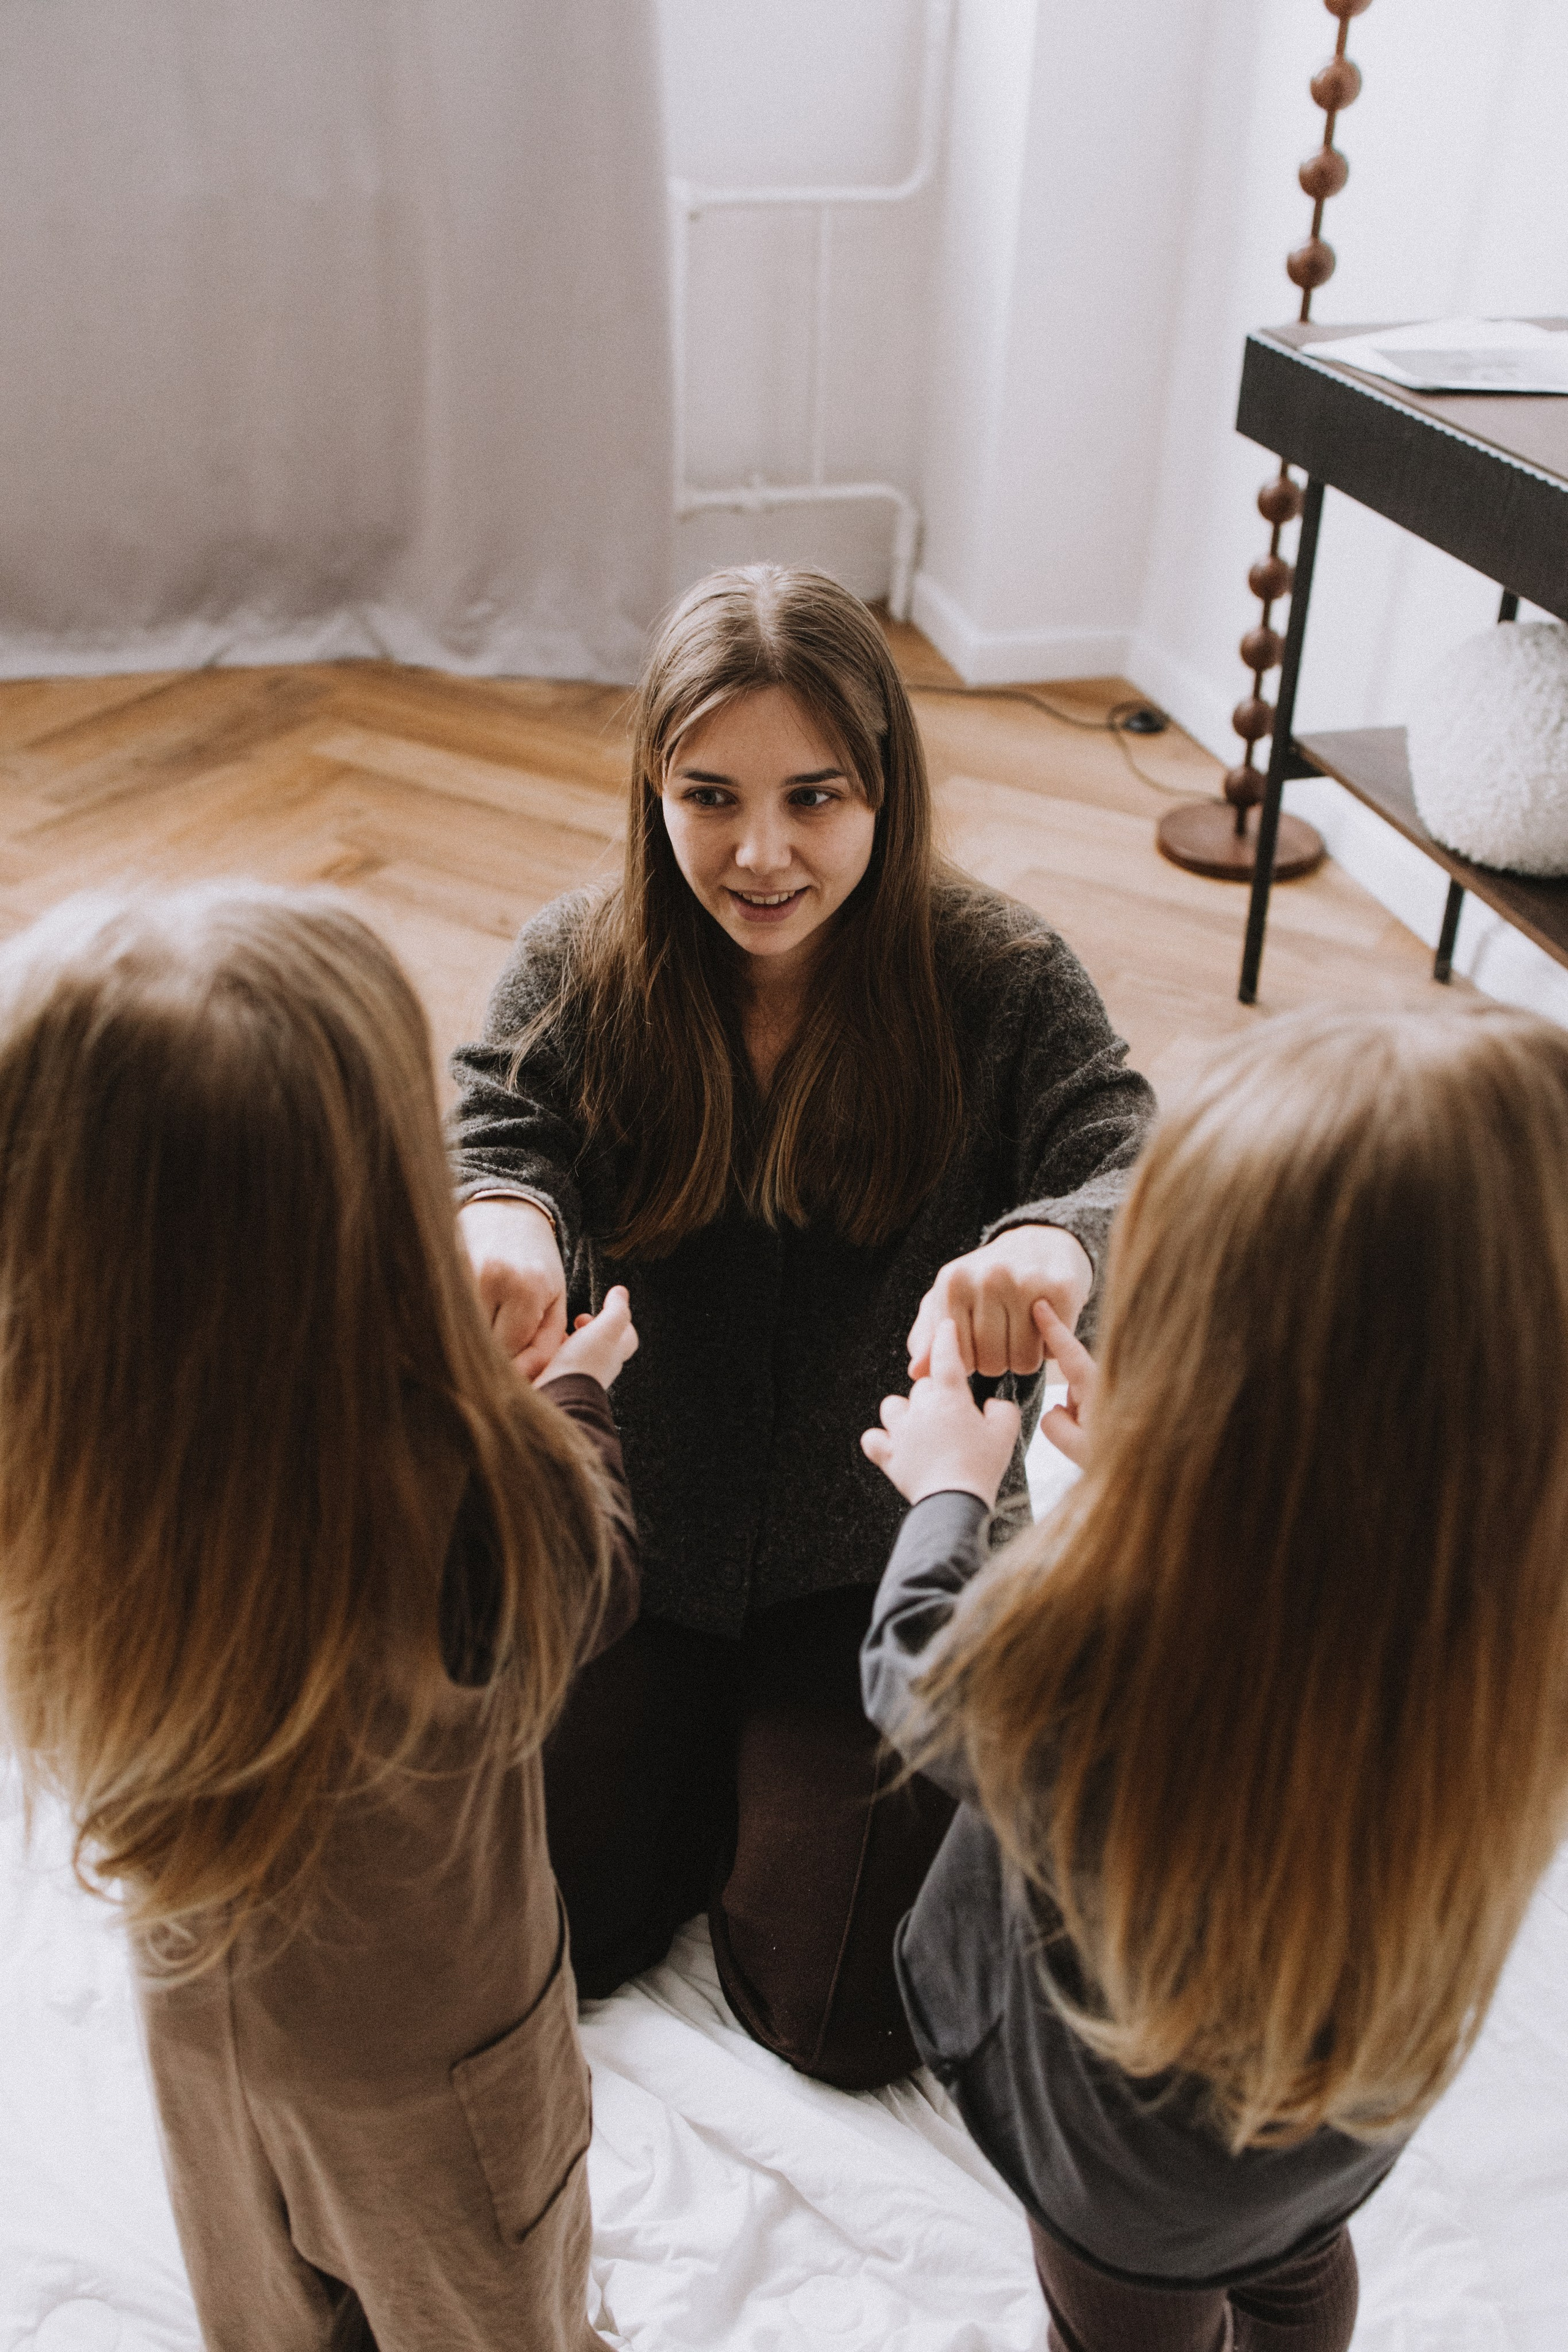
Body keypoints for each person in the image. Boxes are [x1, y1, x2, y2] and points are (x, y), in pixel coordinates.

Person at [450, 563, 1155, 2089]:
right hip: (638, 1537)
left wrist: (1049, 1243)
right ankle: (721, 1759)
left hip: (881, 1556)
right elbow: (492, 1123)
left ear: (882, 788)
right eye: (709, 798)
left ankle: (765, 1771)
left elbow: (1123, 1154)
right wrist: (501, 1213)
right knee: (540, 1926)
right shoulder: (576, 960)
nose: (759, 853)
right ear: (653, 787)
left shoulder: (1002, 976)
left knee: (838, 2008)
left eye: (813, 799)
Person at [859, 1005, 1568, 2352]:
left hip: (1128, 2177)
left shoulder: (1114, 1648)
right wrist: (1162, 1468)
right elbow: (1330, 1525)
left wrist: (952, 1488)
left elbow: (916, 1678)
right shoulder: (1503, 1632)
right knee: (1296, 2275)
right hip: (1332, 2131)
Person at [0, 886, 642, 2352]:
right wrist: (575, 1399)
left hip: (202, 2024)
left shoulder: (54, 1468)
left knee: (263, 2309)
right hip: (439, 2062)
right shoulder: (464, 1481)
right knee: (491, 2317)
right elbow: (586, 1592)